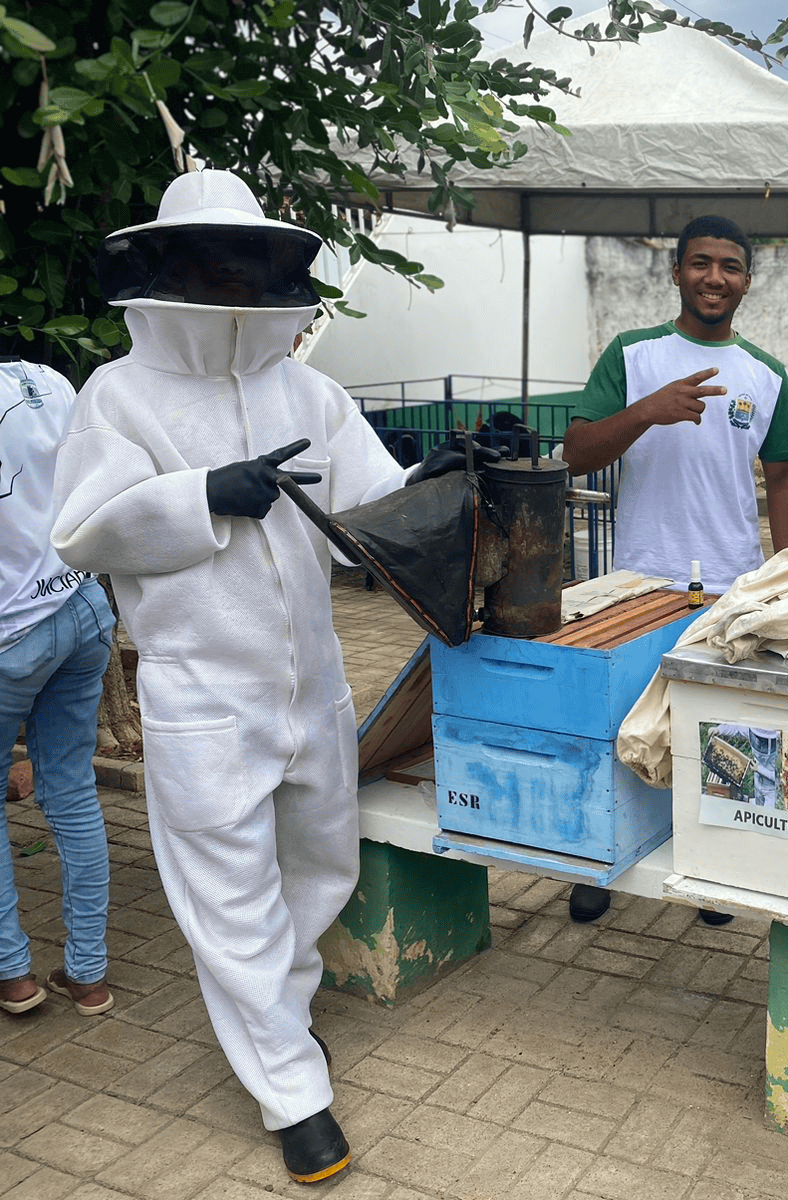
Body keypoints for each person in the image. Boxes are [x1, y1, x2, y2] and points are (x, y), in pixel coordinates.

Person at [51, 169, 484, 1184]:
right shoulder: (117, 396)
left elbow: (368, 510)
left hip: (313, 684)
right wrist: (201, 494)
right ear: (166, 266)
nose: (228, 277)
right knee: (228, 894)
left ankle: (276, 1028)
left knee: (318, 870)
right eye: (209, 258)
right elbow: (77, 533)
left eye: (242, 259)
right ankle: (293, 1094)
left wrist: (439, 475)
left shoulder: (309, 389)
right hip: (201, 692)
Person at [561, 215, 788, 925]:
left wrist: (785, 573)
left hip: (730, 583)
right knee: (621, 723)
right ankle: (602, 862)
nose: (715, 277)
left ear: (746, 282)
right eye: (701, 263)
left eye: (731, 266)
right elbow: (577, 452)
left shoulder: (765, 373)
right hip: (640, 580)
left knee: (724, 735)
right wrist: (648, 412)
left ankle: (716, 867)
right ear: (676, 273)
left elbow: (784, 476)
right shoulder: (634, 356)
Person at [0, 358, 117, 1019]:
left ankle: (13, 975)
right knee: (71, 791)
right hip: (81, 606)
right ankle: (89, 976)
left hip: (11, 632)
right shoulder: (44, 377)